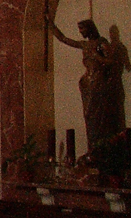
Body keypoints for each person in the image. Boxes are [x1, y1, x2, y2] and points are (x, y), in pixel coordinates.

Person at [50, 18, 127, 153]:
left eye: (83, 29)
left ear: (90, 28)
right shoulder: (85, 45)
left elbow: (112, 62)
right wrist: (51, 25)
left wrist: (97, 57)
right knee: (89, 116)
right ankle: (92, 148)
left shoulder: (102, 43)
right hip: (87, 85)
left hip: (99, 84)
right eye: (80, 30)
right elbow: (64, 39)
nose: (81, 33)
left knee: (100, 118)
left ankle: (102, 149)